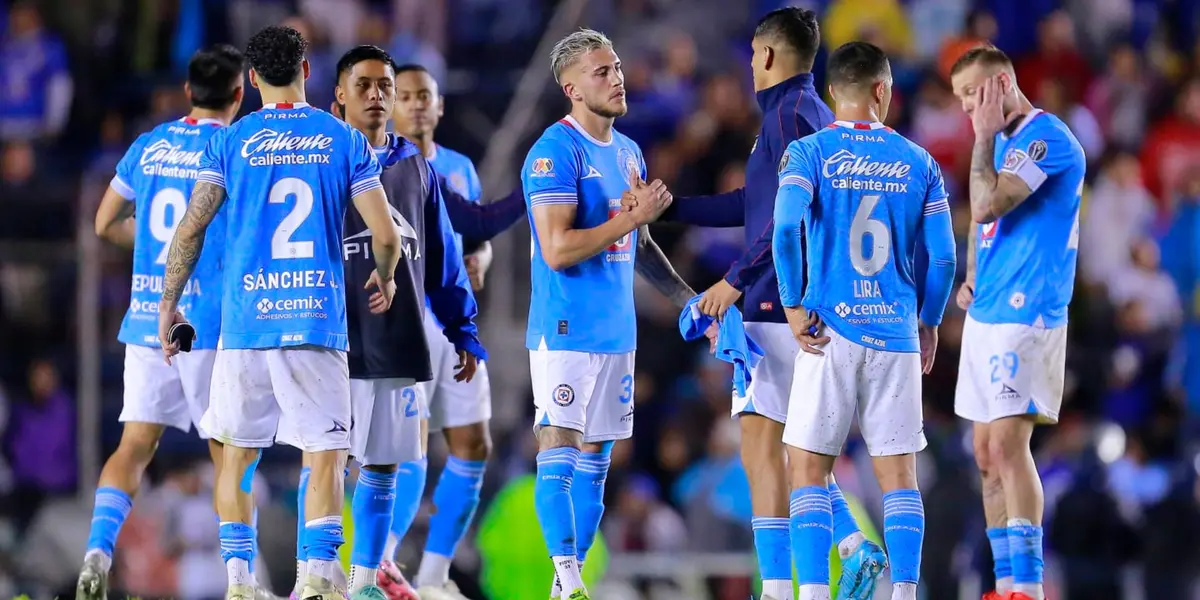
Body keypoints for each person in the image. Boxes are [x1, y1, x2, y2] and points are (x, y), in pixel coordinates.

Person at [622, 9, 882, 598]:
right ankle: (842, 550)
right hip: (795, 302)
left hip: (778, 305)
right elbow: (755, 203)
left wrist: (734, 282)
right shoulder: (803, 113)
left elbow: (788, 221)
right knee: (783, 445)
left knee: (768, 448)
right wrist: (672, 209)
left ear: (765, 55)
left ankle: (795, 581)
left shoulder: (789, 116)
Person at [157, 25, 402, 600]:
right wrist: (386, 275)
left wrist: (169, 305)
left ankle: (240, 582)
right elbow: (386, 235)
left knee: (236, 459)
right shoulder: (342, 139)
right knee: (325, 455)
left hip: (246, 326)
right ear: (306, 70)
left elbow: (190, 229)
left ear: (251, 78)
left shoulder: (230, 142)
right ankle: (315, 577)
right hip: (314, 323)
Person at [283, 45, 490, 600]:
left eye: (385, 86)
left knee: (384, 464)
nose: (376, 95)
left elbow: (443, 255)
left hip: (398, 339)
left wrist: (462, 329)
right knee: (323, 460)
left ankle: (364, 581)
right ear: (339, 96)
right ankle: (310, 579)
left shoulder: (415, 167)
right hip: (331, 339)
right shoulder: (319, 159)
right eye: (364, 85)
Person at [522, 28, 712, 600]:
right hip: (565, 328)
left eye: (619, 68)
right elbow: (557, 250)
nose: (617, 78)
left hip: (616, 332)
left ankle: (567, 585)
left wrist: (689, 300)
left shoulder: (628, 152)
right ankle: (568, 577)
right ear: (572, 88)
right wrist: (629, 219)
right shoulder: (553, 153)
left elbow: (640, 246)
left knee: (598, 463)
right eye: (602, 71)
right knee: (558, 448)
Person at [773, 41, 956, 600]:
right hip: (896, 333)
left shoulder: (808, 152)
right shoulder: (920, 162)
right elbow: (944, 259)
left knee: (808, 467)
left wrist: (793, 303)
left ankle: (812, 594)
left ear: (833, 92)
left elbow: (785, 229)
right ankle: (904, 593)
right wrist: (929, 321)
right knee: (899, 476)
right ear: (882, 89)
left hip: (828, 330)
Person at [78, 44, 249, 600]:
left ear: (187, 91)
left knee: (134, 446)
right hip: (206, 323)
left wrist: (151, 248)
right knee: (227, 452)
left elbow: (104, 222)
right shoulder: (234, 148)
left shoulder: (149, 145)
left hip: (147, 320)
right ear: (239, 94)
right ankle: (241, 580)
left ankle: (97, 552)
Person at [378, 63, 524, 600]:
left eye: (425, 96)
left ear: (439, 106)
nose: (417, 104)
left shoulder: (460, 167)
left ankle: (435, 574)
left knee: (473, 443)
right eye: (405, 96)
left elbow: (474, 232)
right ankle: (381, 564)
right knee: (409, 446)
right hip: (407, 320)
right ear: (390, 108)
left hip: (453, 323)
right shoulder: (384, 164)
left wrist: (480, 257)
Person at [948, 45, 1085, 600]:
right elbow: (982, 225)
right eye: (960, 99)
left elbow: (989, 205)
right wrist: (973, 274)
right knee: (985, 456)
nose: (967, 108)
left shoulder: (1046, 139)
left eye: (972, 94)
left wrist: (982, 137)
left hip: (1029, 311)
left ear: (1002, 84)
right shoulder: (998, 142)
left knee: (1008, 445)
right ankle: (1005, 585)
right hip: (987, 311)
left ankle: (1027, 589)